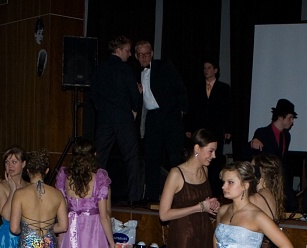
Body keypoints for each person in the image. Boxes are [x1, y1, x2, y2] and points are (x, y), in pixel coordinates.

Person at [90, 35, 142, 204]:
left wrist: (103, 110)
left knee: (98, 160)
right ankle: (134, 199)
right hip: (123, 119)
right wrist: (135, 107)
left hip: (104, 120)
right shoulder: (125, 69)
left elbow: (93, 95)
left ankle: (93, 197)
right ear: (118, 50)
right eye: (127, 50)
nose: (130, 54)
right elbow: (134, 96)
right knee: (132, 158)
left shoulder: (100, 69)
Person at [135, 41, 188, 202]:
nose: (144, 57)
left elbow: (180, 88)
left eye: (147, 54)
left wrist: (182, 113)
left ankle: (179, 196)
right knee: (151, 158)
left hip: (170, 117)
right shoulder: (134, 72)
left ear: (152, 54)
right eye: (140, 55)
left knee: (174, 158)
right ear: (136, 56)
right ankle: (151, 196)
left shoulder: (164, 66)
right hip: (152, 119)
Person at [186, 59, 232, 197]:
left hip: (216, 129)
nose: (206, 70)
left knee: (215, 160)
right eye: (204, 68)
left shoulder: (224, 88)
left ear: (215, 70)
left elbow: (228, 110)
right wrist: (189, 128)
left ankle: (214, 192)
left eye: (209, 68)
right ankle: (197, 189)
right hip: (200, 129)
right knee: (197, 157)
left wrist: (228, 129)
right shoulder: (197, 87)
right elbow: (191, 109)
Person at [249, 99, 297, 211]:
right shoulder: (262, 132)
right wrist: (252, 143)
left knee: (292, 204)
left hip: (280, 178)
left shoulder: (287, 136)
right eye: (290, 118)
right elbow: (251, 153)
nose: (292, 121)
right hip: (266, 179)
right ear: (281, 117)